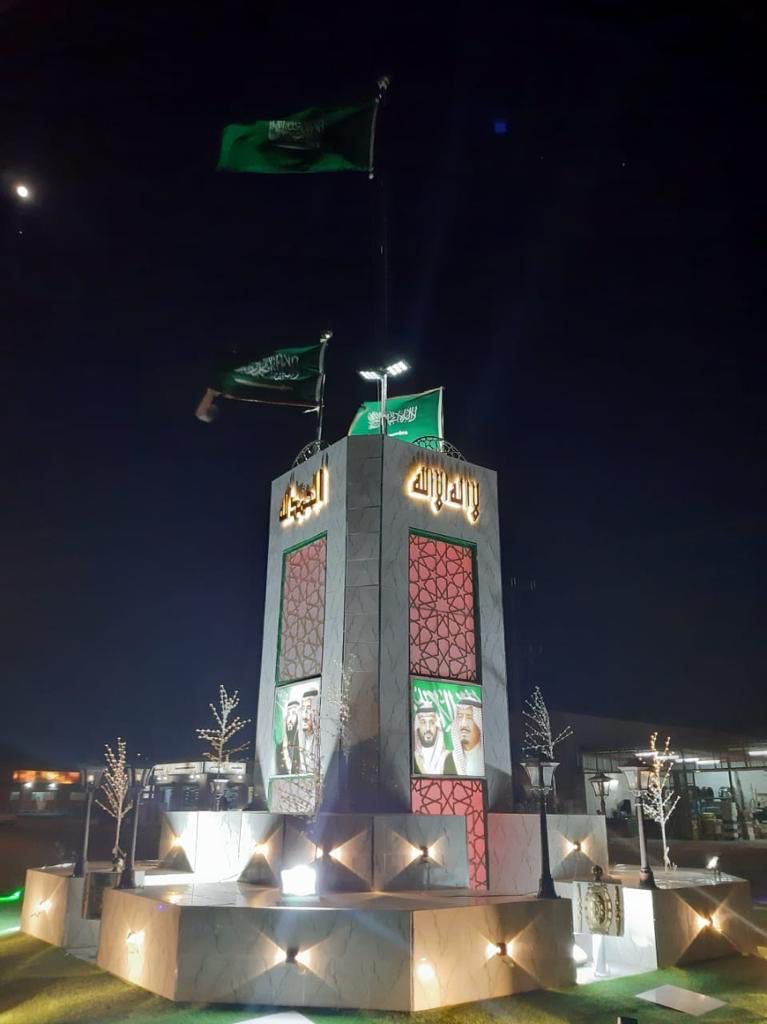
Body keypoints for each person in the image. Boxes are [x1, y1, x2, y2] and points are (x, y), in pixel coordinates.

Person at [413, 702, 456, 775]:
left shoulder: (449, 757)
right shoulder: (413, 758)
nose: (428, 729)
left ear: (437, 727)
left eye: (432, 722)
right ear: (417, 727)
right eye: (423, 722)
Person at [451, 698, 484, 776]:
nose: (463, 724)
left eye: (469, 717)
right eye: (460, 717)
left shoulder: (488, 759)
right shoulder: (451, 759)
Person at [277, 698, 301, 775]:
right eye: (288, 714)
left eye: (293, 714)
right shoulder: (281, 743)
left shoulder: (301, 742)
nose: (290, 719)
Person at [299, 688, 320, 774]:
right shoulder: (299, 741)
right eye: (303, 708)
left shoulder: (320, 740)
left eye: (309, 708)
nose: (305, 714)